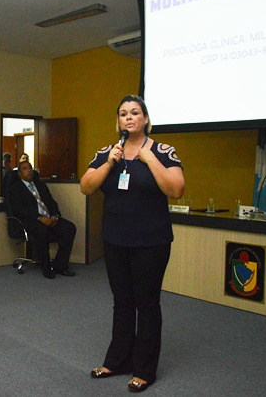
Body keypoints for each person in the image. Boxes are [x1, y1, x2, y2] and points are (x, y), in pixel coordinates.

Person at [81, 95, 184, 393]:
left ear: (146, 120)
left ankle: (144, 370)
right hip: (115, 240)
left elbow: (176, 189)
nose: (129, 117)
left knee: (147, 304)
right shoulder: (107, 153)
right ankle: (117, 361)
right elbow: (86, 187)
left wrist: (149, 158)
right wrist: (109, 163)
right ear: (118, 122)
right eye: (123, 113)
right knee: (122, 302)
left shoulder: (163, 151)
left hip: (151, 242)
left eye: (135, 112)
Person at [8, 161, 77, 279]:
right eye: (25, 169)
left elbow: (51, 202)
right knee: (42, 232)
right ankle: (46, 268)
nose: (29, 170)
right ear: (19, 174)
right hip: (31, 220)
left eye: (30, 168)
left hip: (49, 218)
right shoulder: (15, 188)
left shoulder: (40, 185)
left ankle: (60, 265)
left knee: (69, 228)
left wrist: (55, 215)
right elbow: (19, 209)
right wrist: (39, 218)